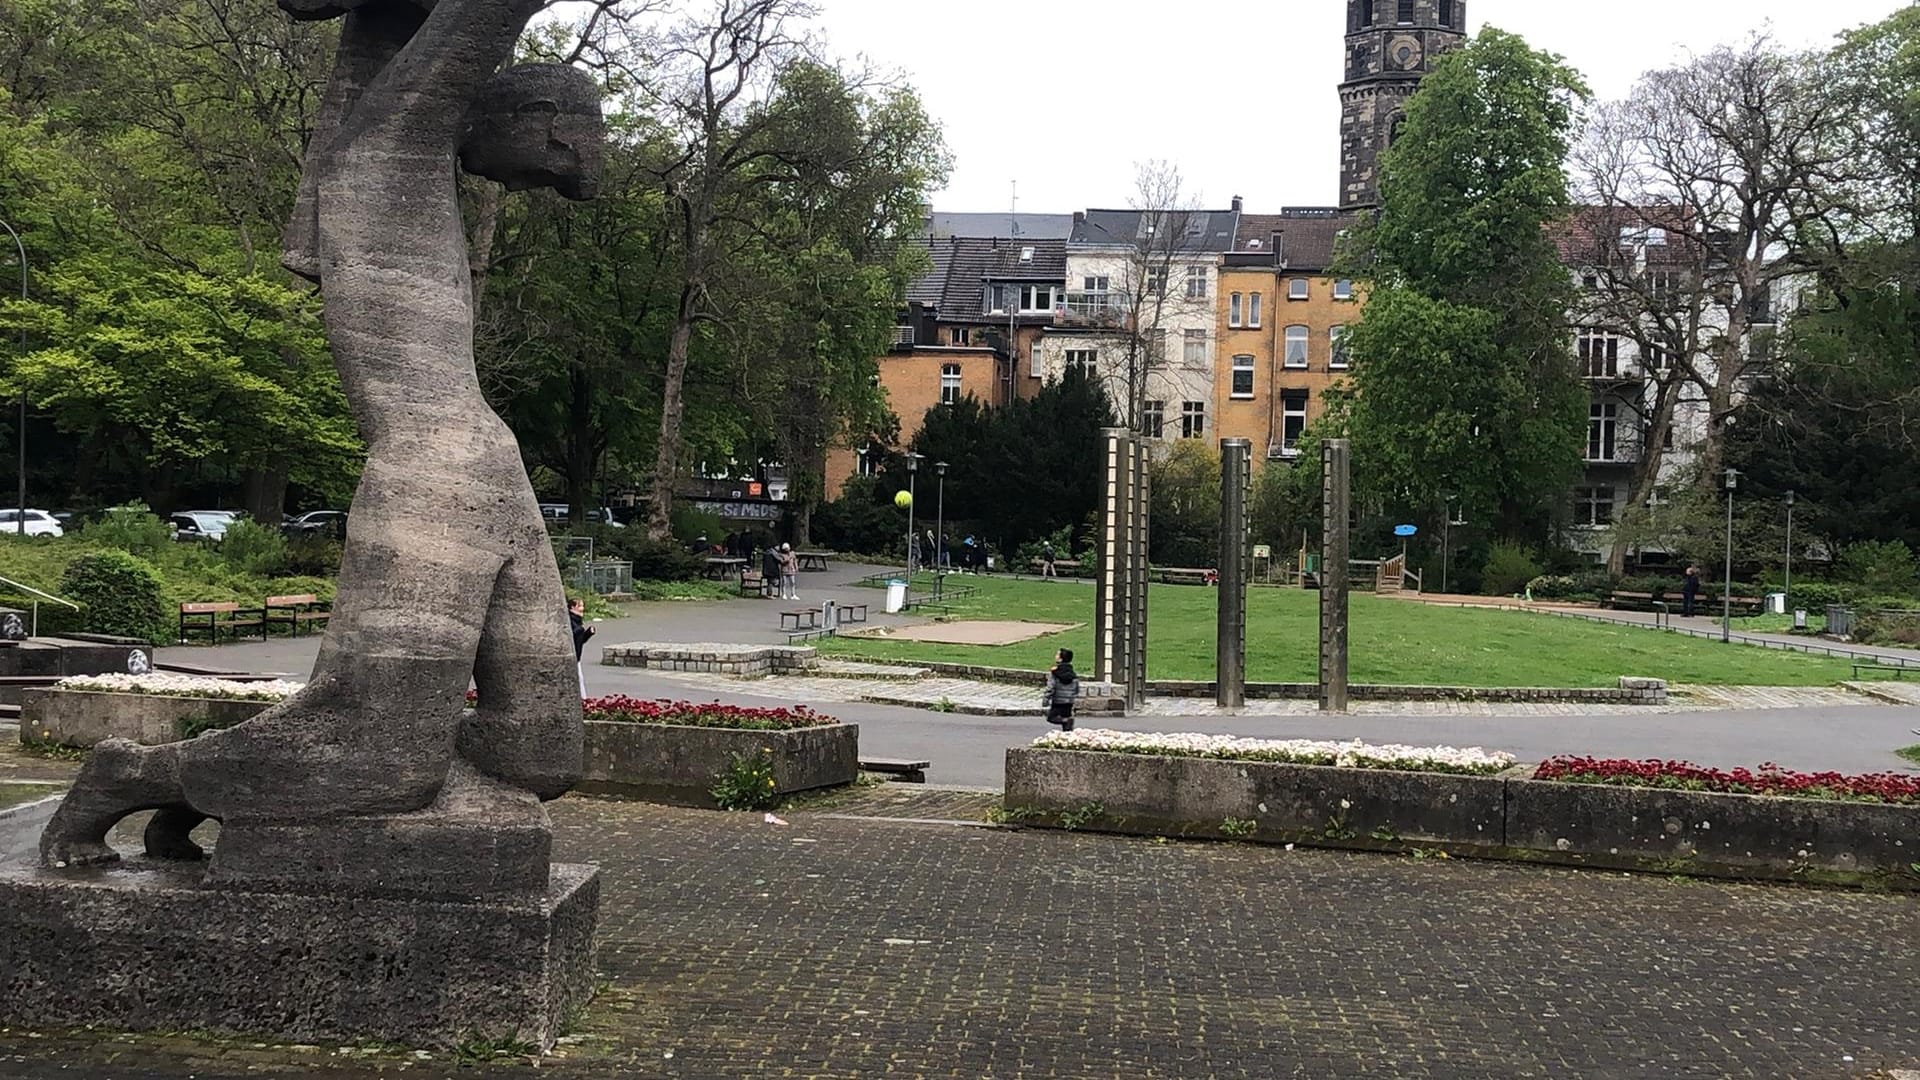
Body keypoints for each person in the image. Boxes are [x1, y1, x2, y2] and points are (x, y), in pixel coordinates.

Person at [1042, 648, 1080, 731]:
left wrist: (1046, 699)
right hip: (1069, 701)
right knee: (1066, 727)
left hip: (1058, 701)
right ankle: (1067, 738)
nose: (1055, 656)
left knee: (1051, 718)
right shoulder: (1072, 672)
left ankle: (1066, 721)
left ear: (1061, 658)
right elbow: (1076, 688)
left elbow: (1050, 687)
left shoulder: (1055, 672)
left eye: (1057, 654)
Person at [568, 597, 594, 696]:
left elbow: (580, 640)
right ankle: (582, 699)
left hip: (577, 656)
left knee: (579, 678)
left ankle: (583, 699)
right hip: (573, 655)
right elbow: (570, 636)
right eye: (580, 606)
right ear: (572, 608)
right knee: (578, 678)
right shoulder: (570, 620)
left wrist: (588, 633)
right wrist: (580, 630)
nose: (582, 608)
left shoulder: (577, 621)